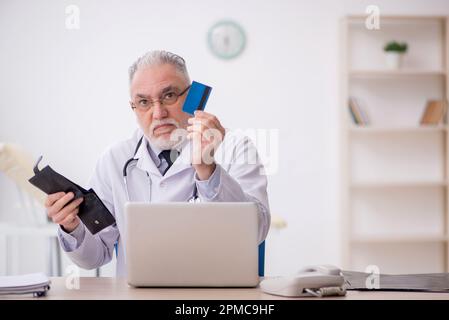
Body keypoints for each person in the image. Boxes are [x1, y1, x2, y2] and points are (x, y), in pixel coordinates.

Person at [45, 50, 270, 276]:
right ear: (133, 107)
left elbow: (254, 232)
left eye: (169, 95)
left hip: (211, 299)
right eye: (143, 102)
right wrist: (72, 227)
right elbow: (95, 257)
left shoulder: (235, 147)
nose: (158, 113)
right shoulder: (114, 159)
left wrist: (206, 168)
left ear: (192, 97)